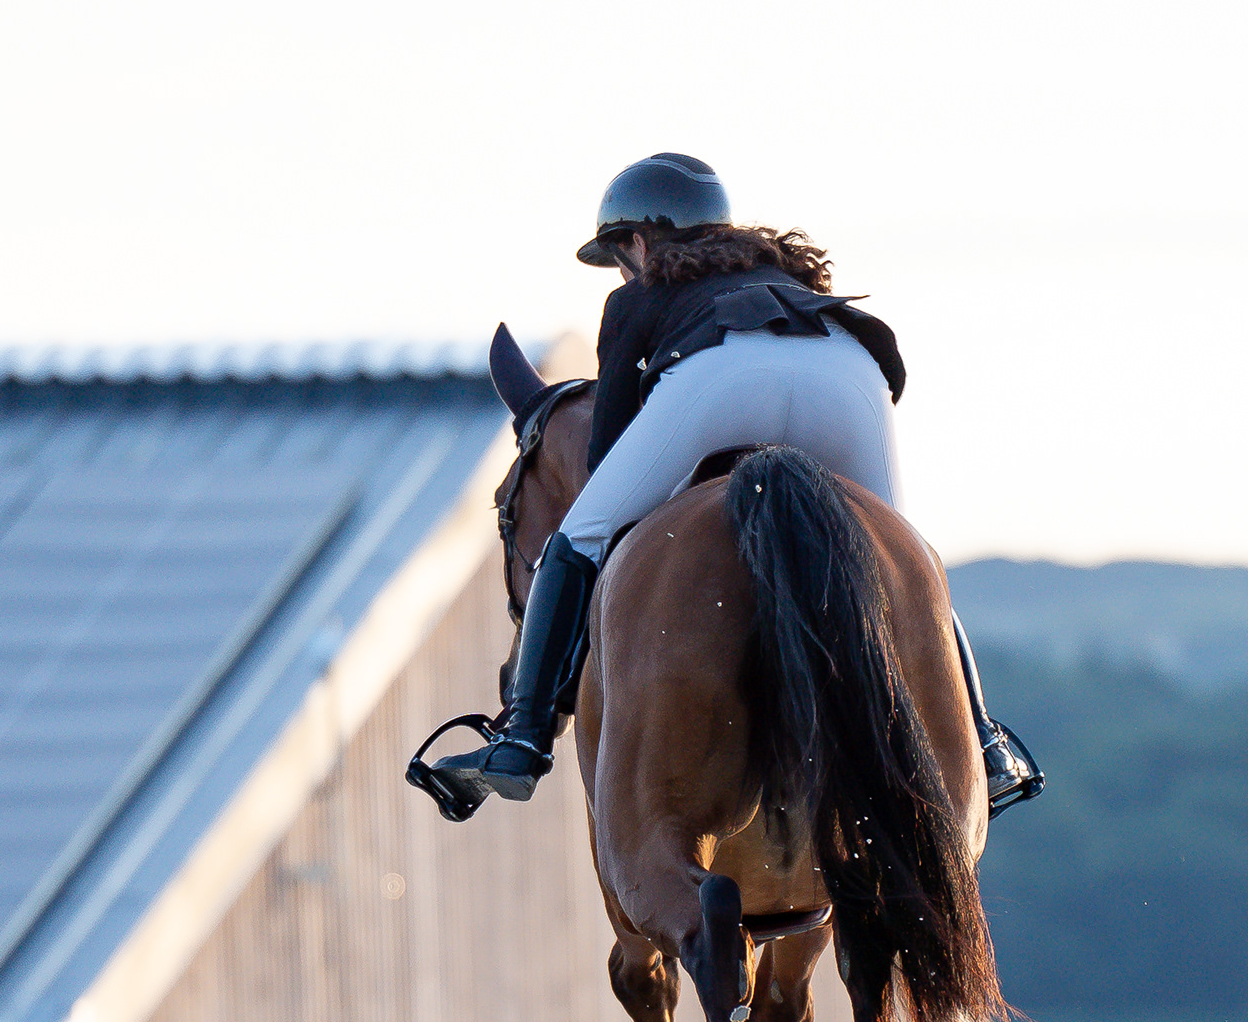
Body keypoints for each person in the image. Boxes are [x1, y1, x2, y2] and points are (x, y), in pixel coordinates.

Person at [424, 151, 1047, 815]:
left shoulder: (637, 296)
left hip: (722, 375)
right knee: (901, 555)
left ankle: (519, 740)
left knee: (577, 536)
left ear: (635, 241)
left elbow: (606, 453)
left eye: (619, 254)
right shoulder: (790, 275)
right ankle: (982, 739)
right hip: (848, 371)